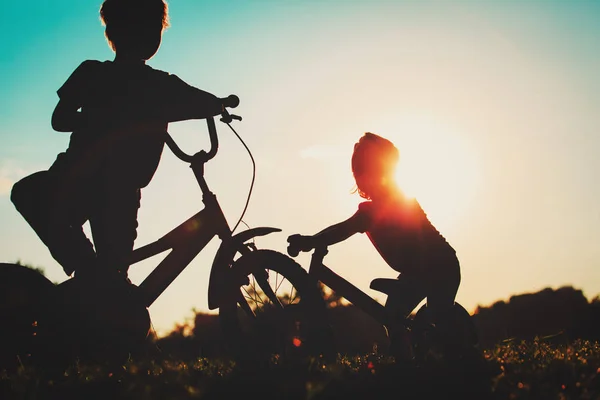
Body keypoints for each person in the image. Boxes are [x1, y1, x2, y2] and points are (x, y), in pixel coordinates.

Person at [11, 0, 233, 286]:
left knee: (114, 276)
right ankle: (84, 263)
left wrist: (218, 103)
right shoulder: (100, 74)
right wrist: (101, 120)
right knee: (29, 194)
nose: (150, 36)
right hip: (80, 181)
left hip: (117, 190)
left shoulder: (159, 84)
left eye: (155, 28)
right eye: (144, 27)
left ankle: (94, 280)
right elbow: (60, 119)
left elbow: (197, 100)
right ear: (116, 31)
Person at [287, 132, 462, 360]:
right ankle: (407, 358)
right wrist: (314, 239)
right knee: (392, 317)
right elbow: (344, 228)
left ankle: (447, 355)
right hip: (416, 273)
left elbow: (343, 229)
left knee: (437, 323)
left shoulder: (388, 205)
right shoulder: (381, 206)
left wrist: (312, 240)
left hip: (441, 268)